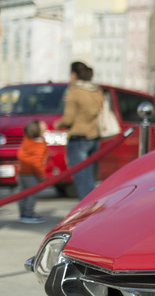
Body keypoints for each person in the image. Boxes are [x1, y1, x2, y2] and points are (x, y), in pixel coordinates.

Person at [54, 61, 103, 200]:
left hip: (78, 137)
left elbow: (68, 119)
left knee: (82, 179)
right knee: (90, 178)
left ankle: (87, 212)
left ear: (73, 74)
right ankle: (92, 207)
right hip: (94, 137)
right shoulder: (96, 90)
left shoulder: (74, 92)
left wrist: (58, 124)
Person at [16, 119, 49, 224]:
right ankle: (28, 214)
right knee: (31, 195)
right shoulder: (38, 145)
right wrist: (41, 175)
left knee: (22, 193)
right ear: (38, 131)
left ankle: (23, 213)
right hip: (31, 174)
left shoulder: (27, 140)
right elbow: (36, 162)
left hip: (22, 172)